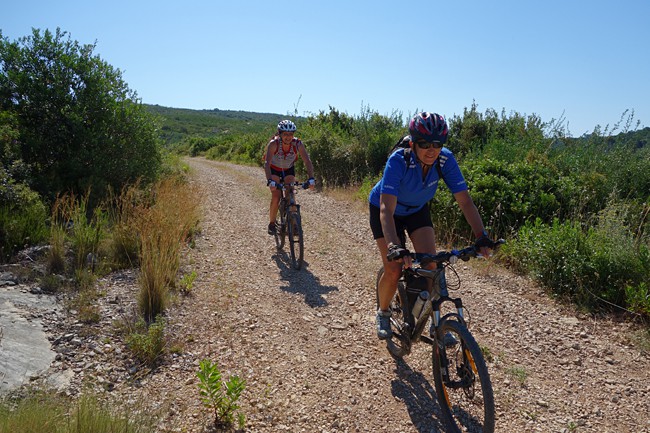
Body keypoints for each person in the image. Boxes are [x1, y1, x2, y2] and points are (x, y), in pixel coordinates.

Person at [368, 111, 494, 339]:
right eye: (425, 143)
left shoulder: (445, 159)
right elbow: (386, 209)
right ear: (414, 142)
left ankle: (437, 326)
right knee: (394, 268)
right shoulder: (399, 160)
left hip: (417, 210)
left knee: (432, 267)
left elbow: (465, 201)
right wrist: (395, 247)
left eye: (437, 143)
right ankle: (383, 313)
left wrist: (481, 236)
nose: (431, 149)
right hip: (386, 209)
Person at [264, 120, 315, 235]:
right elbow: (267, 164)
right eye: (285, 134)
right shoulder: (274, 144)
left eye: (291, 134)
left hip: (288, 170)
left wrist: (311, 178)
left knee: (290, 193)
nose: (288, 137)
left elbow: (307, 161)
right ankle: (272, 223)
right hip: (274, 170)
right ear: (280, 134)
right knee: (276, 196)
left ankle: (294, 225)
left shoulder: (298, 144)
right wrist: (270, 181)